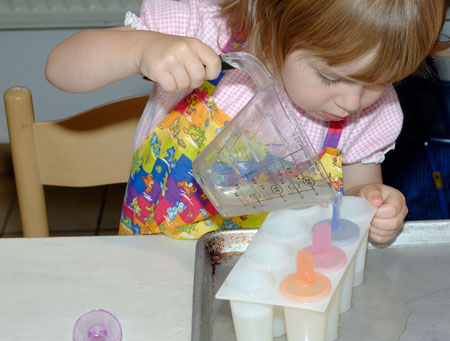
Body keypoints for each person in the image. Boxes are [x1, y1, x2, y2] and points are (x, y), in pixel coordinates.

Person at [45, 0, 449, 243]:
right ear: (271, 20)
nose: (351, 101)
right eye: (330, 76)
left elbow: (362, 184)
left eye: (378, 81)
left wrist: (373, 204)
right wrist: (139, 48)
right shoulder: (205, 34)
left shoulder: (372, 115)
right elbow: (59, 70)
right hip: (158, 267)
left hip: (282, 278)